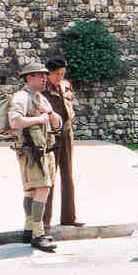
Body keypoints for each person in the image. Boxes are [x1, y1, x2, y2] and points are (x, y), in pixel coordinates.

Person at [8, 62, 62, 252]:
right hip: (33, 151)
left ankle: (29, 229)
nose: (44, 78)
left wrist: (49, 115)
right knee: (42, 188)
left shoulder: (40, 98)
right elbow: (14, 121)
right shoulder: (22, 97)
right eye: (40, 75)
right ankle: (38, 234)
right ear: (28, 78)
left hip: (43, 150)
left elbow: (57, 124)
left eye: (45, 75)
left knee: (32, 191)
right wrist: (39, 119)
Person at [41, 56, 84, 229]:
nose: (60, 76)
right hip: (50, 135)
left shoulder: (66, 85)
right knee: (48, 177)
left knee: (68, 175)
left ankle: (69, 217)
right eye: (57, 74)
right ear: (48, 73)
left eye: (62, 73)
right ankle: (45, 221)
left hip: (66, 132)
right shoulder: (42, 89)